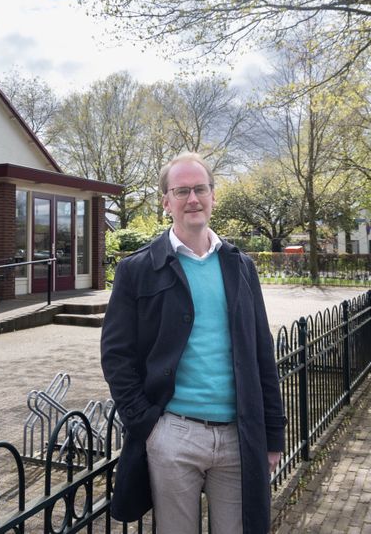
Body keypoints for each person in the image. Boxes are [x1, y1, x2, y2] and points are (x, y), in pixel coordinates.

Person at [100, 152, 286, 534]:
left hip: (238, 435)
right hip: (173, 436)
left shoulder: (240, 266)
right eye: (181, 191)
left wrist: (273, 435)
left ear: (213, 196)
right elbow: (116, 355)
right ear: (166, 202)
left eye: (200, 189)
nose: (193, 199)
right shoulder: (137, 269)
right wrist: (148, 426)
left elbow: (262, 354)